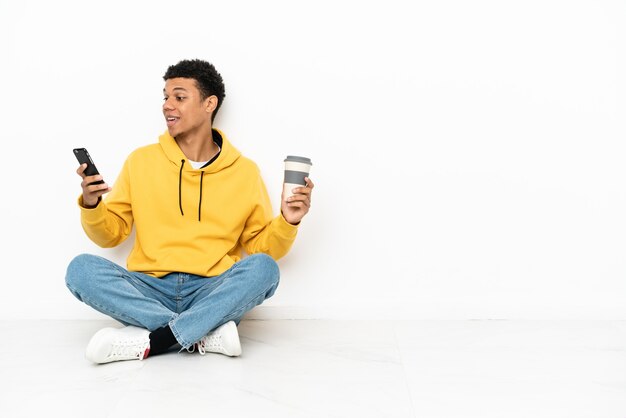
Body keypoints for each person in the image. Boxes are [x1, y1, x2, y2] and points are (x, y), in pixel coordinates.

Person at [65, 59, 314, 364]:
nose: (168, 106)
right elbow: (110, 235)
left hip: (211, 289)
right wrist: (91, 205)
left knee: (264, 269)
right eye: (166, 97)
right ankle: (203, 333)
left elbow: (262, 246)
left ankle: (158, 339)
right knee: (81, 271)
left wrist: (289, 220)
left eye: (179, 97)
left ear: (209, 104)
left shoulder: (245, 172)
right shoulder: (140, 161)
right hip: (150, 286)